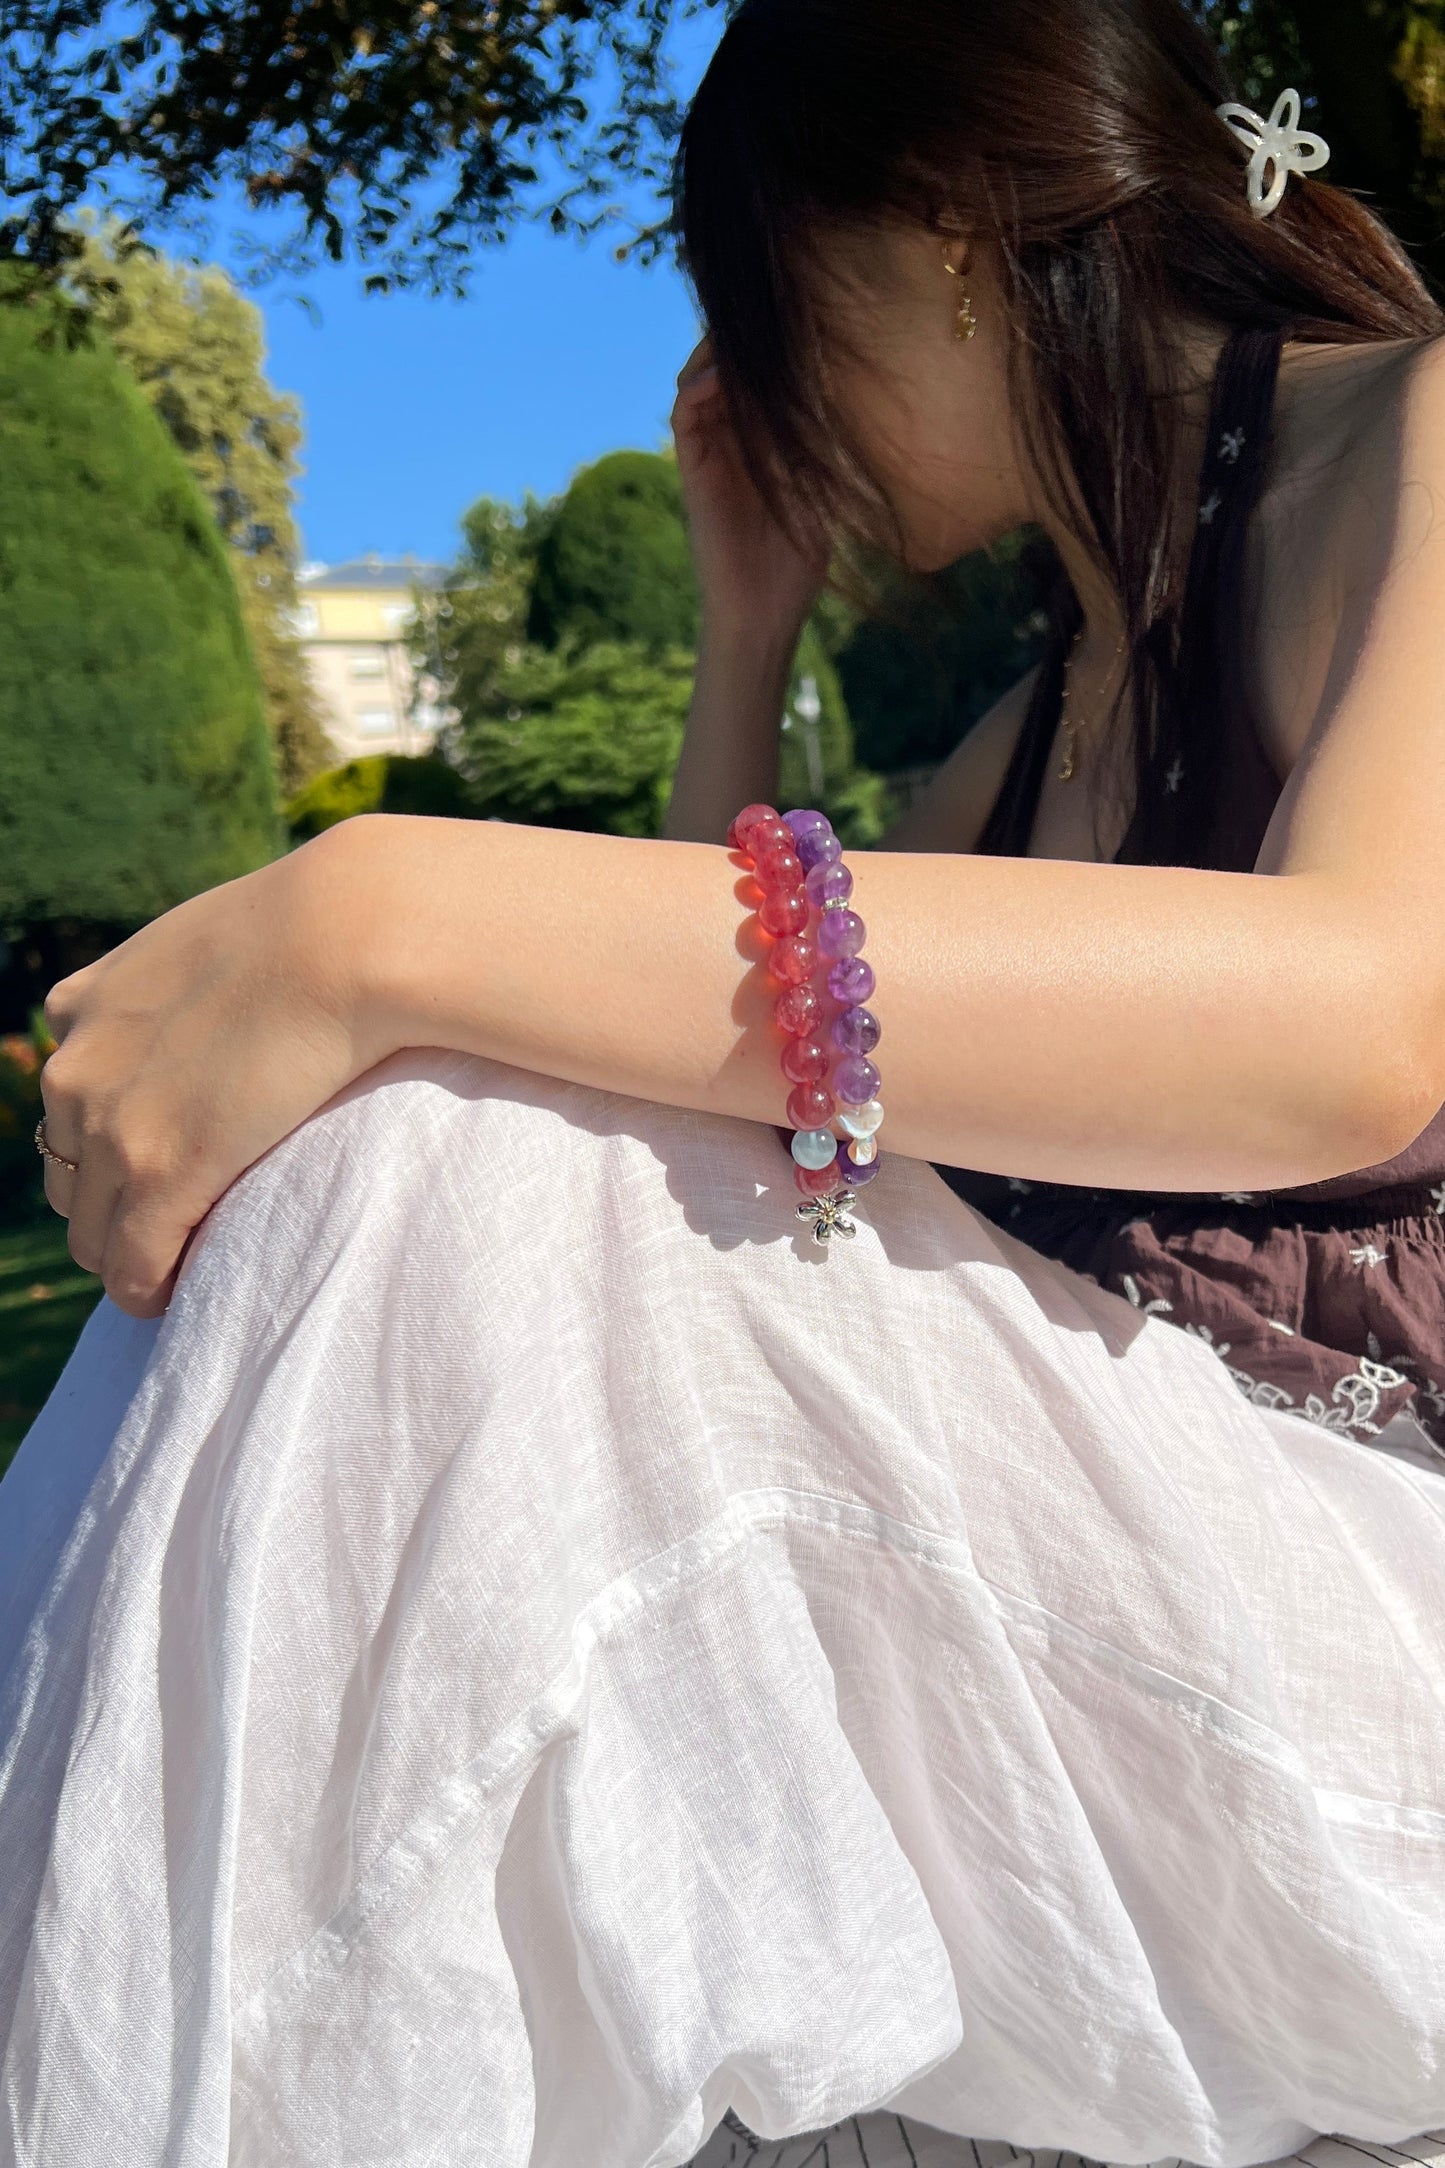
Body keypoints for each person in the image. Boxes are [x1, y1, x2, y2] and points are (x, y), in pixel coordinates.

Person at [3, 1, 1444, 2163]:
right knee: (470, 1151)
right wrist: (745, 631)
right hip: (1155, 1648)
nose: (764, 401)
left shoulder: (1427, 428)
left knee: (447, 1148)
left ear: (947, 237)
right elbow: (704, 1145)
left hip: (1376, 1660)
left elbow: (1350, 1020)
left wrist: (385, 918)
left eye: (764, 322)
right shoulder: (1037, 726)